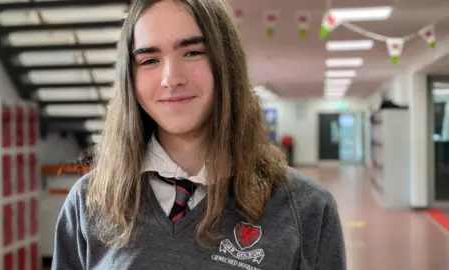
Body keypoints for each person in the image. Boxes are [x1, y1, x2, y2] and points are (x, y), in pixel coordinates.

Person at [51, 0, 346, 269]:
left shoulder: (305, 208)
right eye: (149, 60)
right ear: (130, 78)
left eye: (193, 52)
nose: (171, 79)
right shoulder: (90, 202)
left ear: (226, 65)